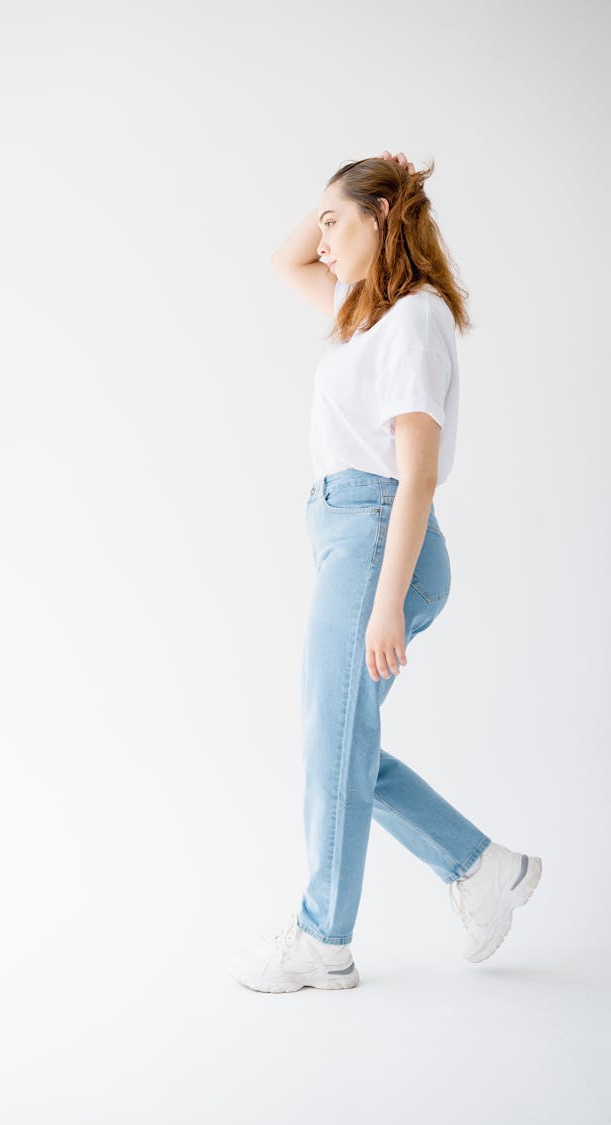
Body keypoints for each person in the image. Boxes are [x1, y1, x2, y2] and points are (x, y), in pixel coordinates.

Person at [228, 149, 542, 994]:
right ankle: (484, 870)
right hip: (348, 534)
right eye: (323, 220)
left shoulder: (413, 318)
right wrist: (343, 197)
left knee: (332, 739)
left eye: (338, 220)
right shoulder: (362, 314)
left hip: (378, 533)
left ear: (382, 221)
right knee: (342, 741)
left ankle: (323, 938)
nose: (320, 238)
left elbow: (418, 473)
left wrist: (388, 602)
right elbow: (282, 259)